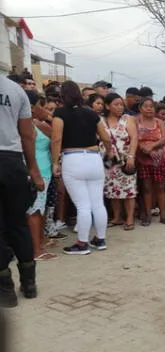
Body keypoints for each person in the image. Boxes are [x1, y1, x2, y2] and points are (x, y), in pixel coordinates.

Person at [51, 81, 113, 255]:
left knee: (82, 205)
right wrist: (109, 154)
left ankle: (82, 243)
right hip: (94, 159)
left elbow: (56, 138)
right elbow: (106, 138)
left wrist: (55, 162)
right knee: (97, 203)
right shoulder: (91, 114)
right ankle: (100, 239)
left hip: (73, 159)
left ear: (62, 95)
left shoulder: (60, 113)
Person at [0, 75, 44, 306]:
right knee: (18, 224)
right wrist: (34, 170)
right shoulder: (15, 91)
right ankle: (29, 284)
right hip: (13, 161)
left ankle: (5, 290)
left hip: (10, 159)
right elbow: (28, 135)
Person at [24, 90, 58, 261]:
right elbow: (57, 135)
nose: (45, 110)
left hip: (40, 171)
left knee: (38, 209)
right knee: (35, 211)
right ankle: (36, 250)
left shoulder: (29, 124)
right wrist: (49, 117)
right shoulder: (35, 125)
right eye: (41, 106)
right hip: (38, 172)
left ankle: (40, 242)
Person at [102, 93, 138, 231]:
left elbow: (134, 138)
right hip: (109, 161)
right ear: (107, 106)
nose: (119, 107)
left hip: (125, 159)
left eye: (121, 104)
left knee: (129, 190)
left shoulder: (127, 119)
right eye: (116, 104)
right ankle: (117, 217)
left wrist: (131, 156)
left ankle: (129, 218)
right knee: (112, 189)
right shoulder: (101, 120)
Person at [136, 98, 165, 226]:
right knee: (146, 188)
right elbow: (134, 138)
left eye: (151, 106)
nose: (149, 109)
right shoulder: (136, 121)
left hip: (160, 160)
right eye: (146, 106)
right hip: (143, 159)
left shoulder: (159, 122)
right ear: (140, 108)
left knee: (161, 187)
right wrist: (142, 147)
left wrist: (151, 146)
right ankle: (148, 215)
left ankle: (163, 215)